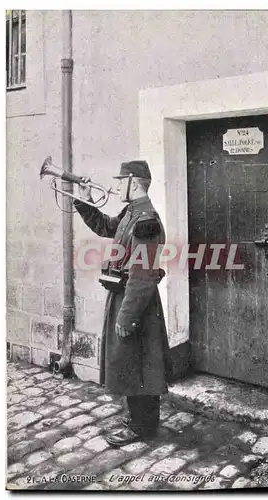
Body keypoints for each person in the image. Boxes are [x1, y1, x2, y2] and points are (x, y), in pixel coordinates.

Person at [74, 160, 171, 447]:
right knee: (133, 361)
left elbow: (141, 276)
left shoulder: (145, 221)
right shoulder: (131, 213)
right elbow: (105, 226)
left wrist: (127, 317)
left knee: (139, 363)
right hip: (126, 296)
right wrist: (84, 199)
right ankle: (140, 422)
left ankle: (142, 427)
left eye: (120, 181)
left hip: (135, 301)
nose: (116, 186)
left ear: (135, 182)